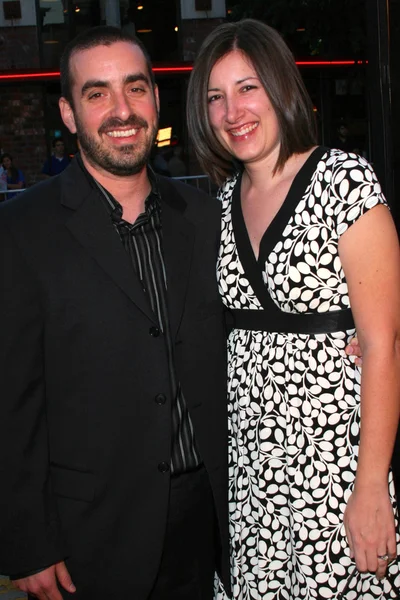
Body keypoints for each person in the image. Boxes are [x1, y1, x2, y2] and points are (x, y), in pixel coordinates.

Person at [0, 27, 230, 600]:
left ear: (156, 98)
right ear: (70, 113)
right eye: (97, 93)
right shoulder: (21, 230)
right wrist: (28, 542)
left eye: (135, 88)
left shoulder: (206, 217)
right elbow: (9, 401)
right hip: (88, 538)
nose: (121, 110)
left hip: (211, 523)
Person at [187, 18, 400, 600]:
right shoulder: (224, 200)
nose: (233, 111)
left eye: (248, 87)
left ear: (280, 86)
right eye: (215, 96)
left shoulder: (342, 180)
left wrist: (372, 487)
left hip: (332, 469)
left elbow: (383, 344)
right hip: (251, 472)